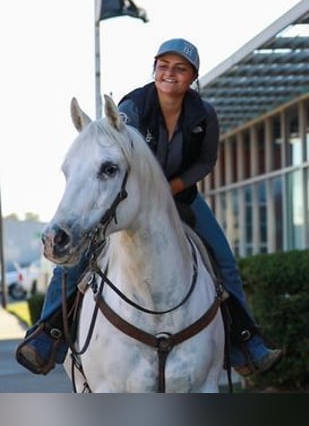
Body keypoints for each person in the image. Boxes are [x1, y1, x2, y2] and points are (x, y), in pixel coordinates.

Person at [16, 38, 283, 378]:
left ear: (192, 77)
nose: (170, 73)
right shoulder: (132, 107)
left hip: (181, 198)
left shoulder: (204, 114)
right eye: (163, 65)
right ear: (154, 69)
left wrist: (174, 186)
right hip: (134, 199)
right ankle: (47, 335)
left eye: (180, 68)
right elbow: (120, 149)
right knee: (75, 261)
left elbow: (205, 161)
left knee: (224, 260)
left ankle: (246, 342)